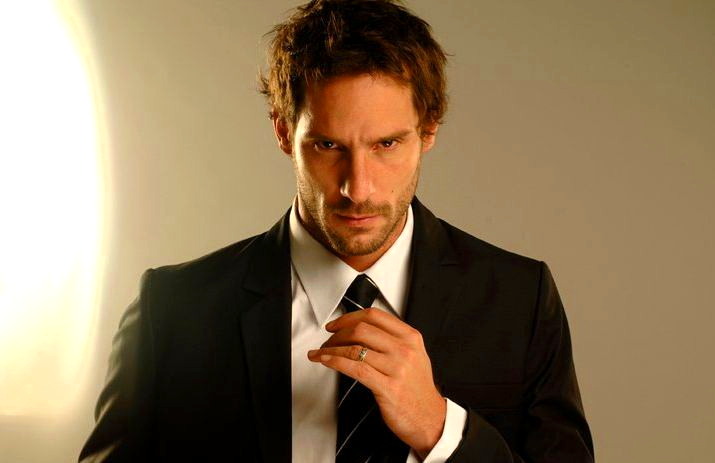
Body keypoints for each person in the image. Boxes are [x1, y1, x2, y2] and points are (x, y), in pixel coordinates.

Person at [79, 1, 594, 462]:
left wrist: (439, 429)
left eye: (387, 145)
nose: (357, 188)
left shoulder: (518, 301)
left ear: (429, 130)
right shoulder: (174, 311)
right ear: (284, 131)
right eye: (328, 146)